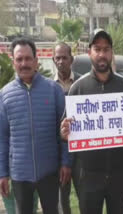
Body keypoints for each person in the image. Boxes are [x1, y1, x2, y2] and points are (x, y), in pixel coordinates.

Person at [59, 29, 123, 214]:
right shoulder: (77, 89)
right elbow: (65, 131)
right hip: (88, 175)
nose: (102, 54)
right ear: (90, 53)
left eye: (106, 49)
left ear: (111, 53)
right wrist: (64, 133)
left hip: (118, 173)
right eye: (97, 49)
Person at [0, 38, 71, 214]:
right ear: (13, 61)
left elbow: (65, 132)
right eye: (19, 59)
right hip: (20, 173)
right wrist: (2, 172)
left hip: (49, 170)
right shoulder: (4, 95)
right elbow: (2, 137)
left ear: (36, 60)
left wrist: (66, 162)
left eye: (28, 58)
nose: (24, 63)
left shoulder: (54, 90)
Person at [52, 42, 81, 214]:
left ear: (72, 59)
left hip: (82, 155)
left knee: (86, 197)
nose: (61, 61)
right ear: (53, 60)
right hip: (58, 154)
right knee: (62, 203)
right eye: (58, 58)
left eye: (65, 57)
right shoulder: (48, 87)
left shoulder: (83, 83)